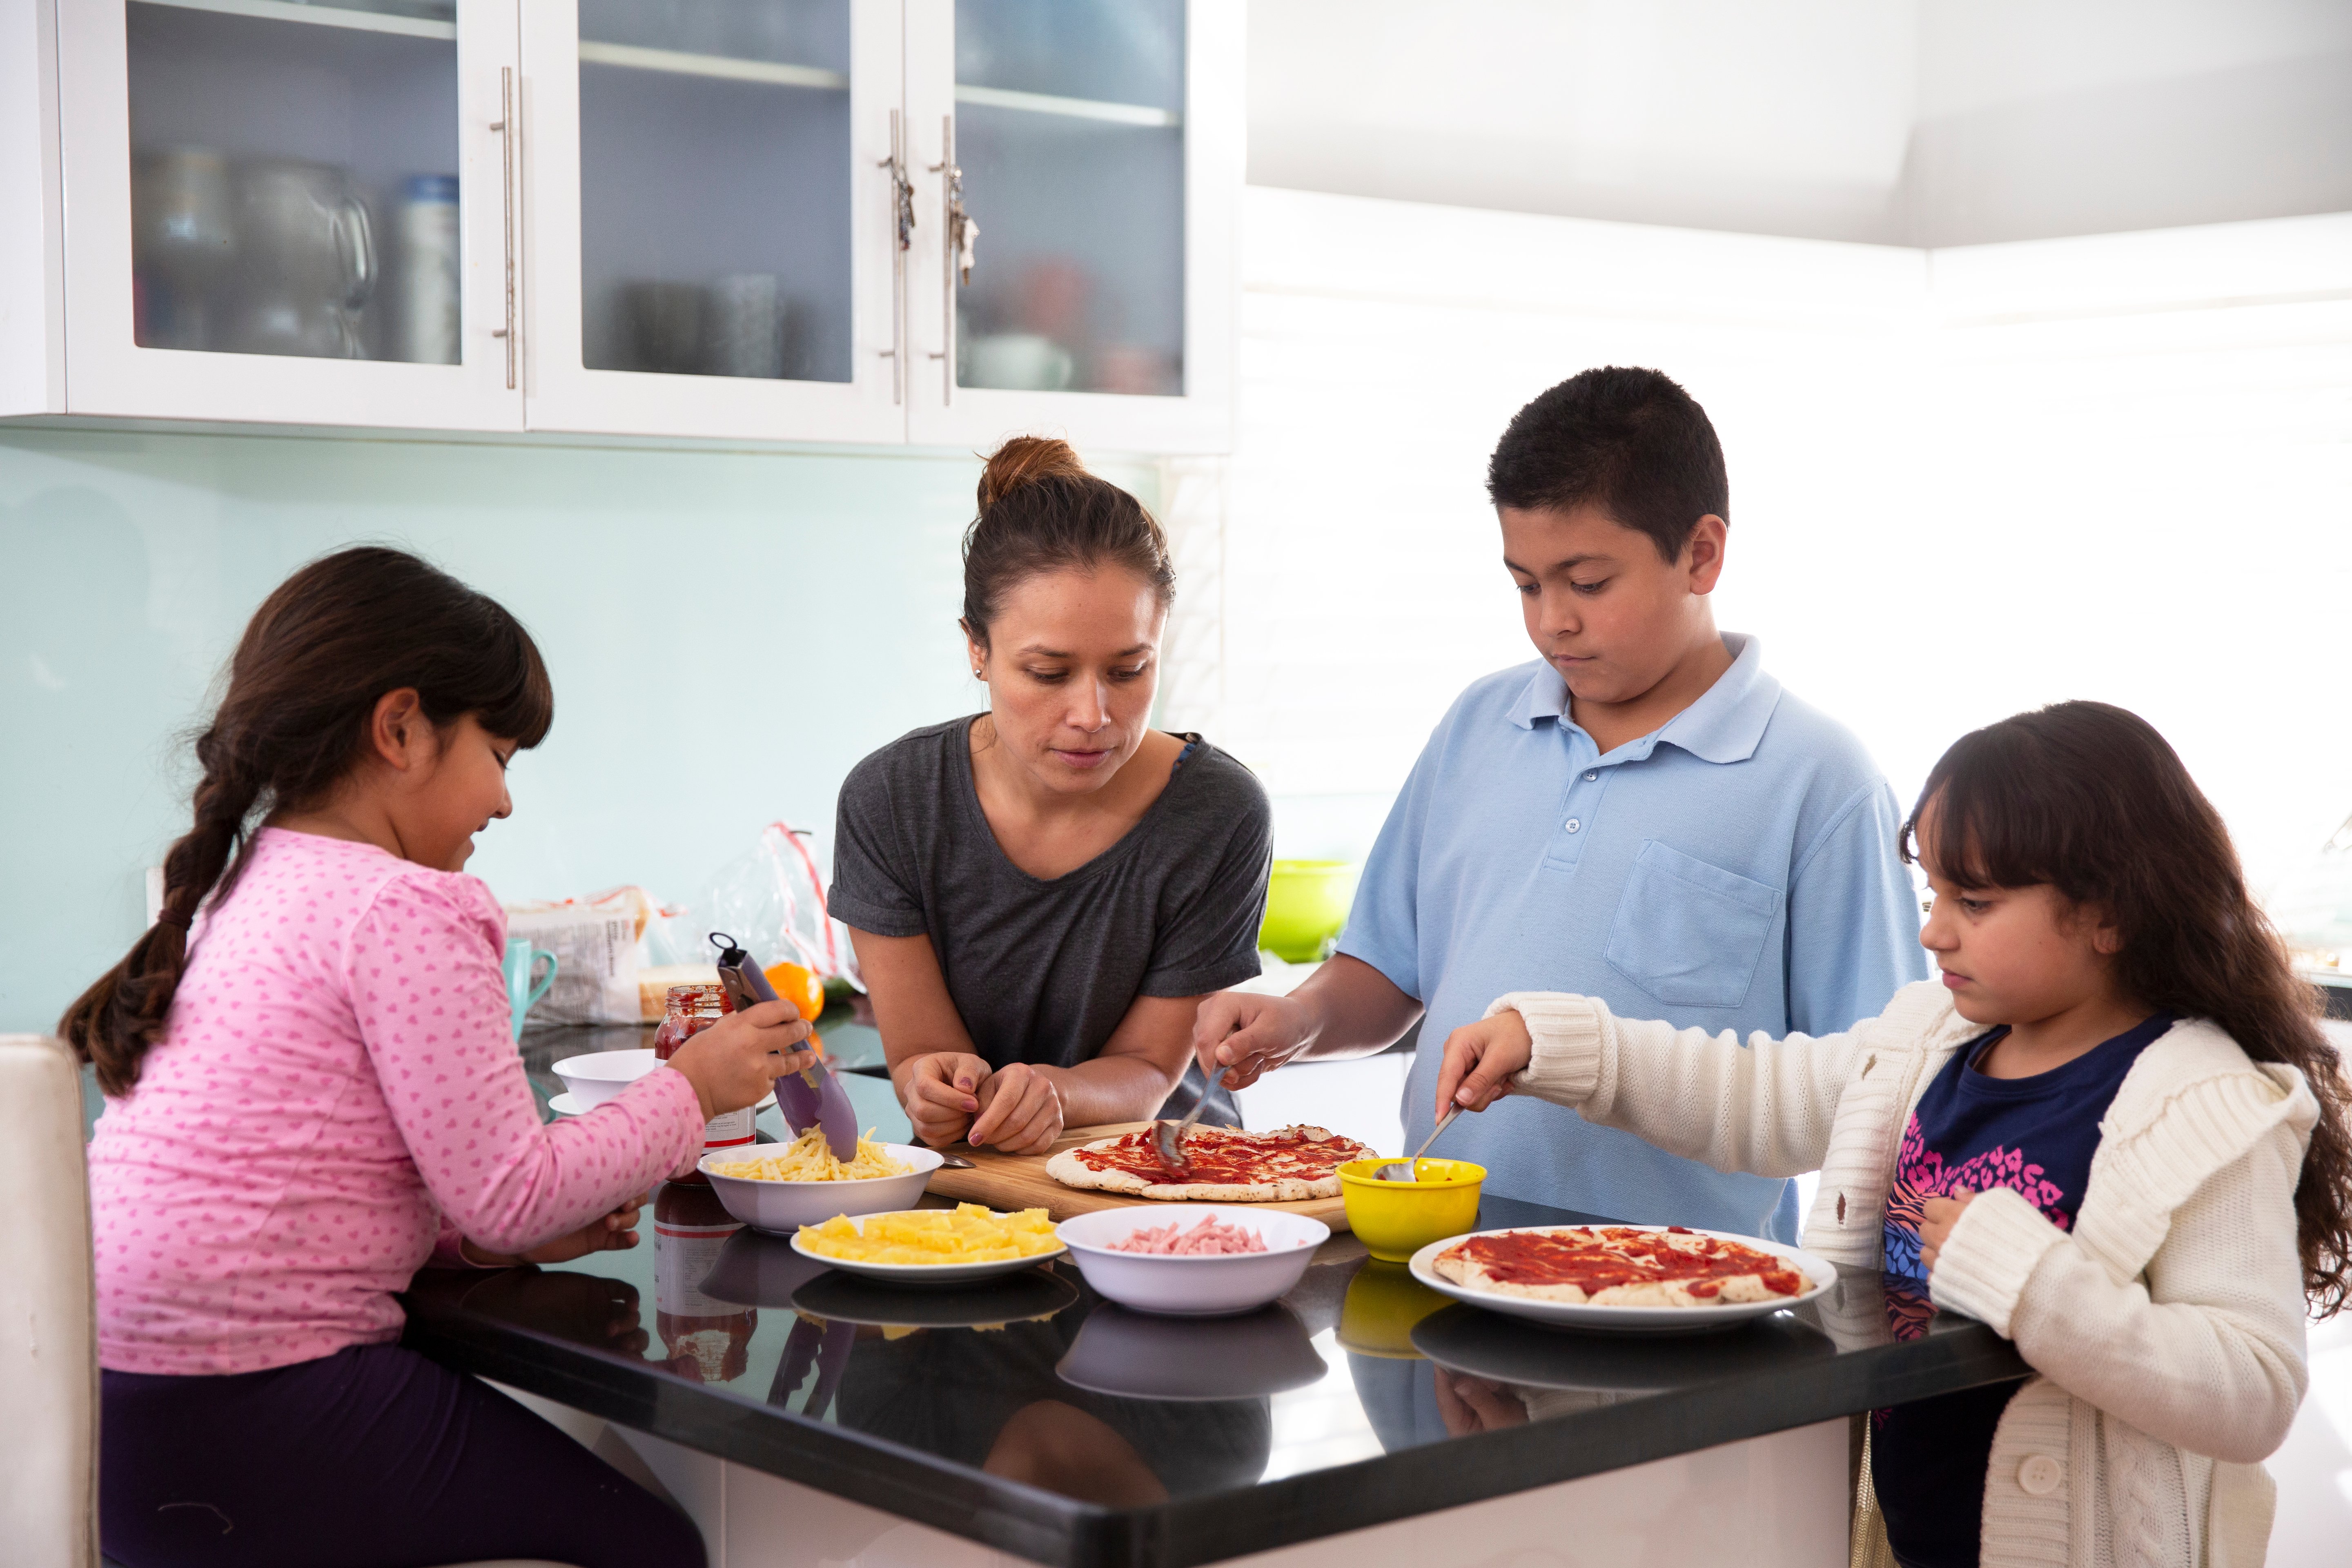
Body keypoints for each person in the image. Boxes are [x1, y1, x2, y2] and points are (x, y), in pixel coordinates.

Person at [1436, 701, 2350, 1568]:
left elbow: (2255, 1391)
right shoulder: (1924, 1042)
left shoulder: (2211, 1103)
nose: (1932, 930)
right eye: (1933, 892)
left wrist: (2030, 1281)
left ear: (2111, 911)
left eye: (1977, 904)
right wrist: (1556, 1045)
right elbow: (1753, 1090)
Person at [66, 547, 815, 1568]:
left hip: (113, 1412)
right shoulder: (405, 903)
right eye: (501, 755)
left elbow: (313, 1179)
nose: (504, 804)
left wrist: (486, 1248)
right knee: (657, 1549)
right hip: (254, 1402)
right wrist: (693, 1086)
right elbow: (512, 1188)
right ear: (403, 727)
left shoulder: (251, 887)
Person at [1193, 366, 1926, 1236]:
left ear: (1702, 553)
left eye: (1587, 584)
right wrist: (1297, 1020)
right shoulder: (1478, 723)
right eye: (1526, 585)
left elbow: (1881, 1087)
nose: (1552, 623)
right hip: (1440, 1256)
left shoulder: (1819, 779)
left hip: (1685, 1299)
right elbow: (1392, 969)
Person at [831, 437, 1272, 1154]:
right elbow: (921, 1055)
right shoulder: (892, 800)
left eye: (1129, 670)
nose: (1093, 715)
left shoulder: (1217, 811)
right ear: (977, 648)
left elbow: (1151, 1069)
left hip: (1165, 1186)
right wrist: (932, 1085)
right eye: (1047, 672)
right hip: (976, 1186)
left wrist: (1054, 1093)